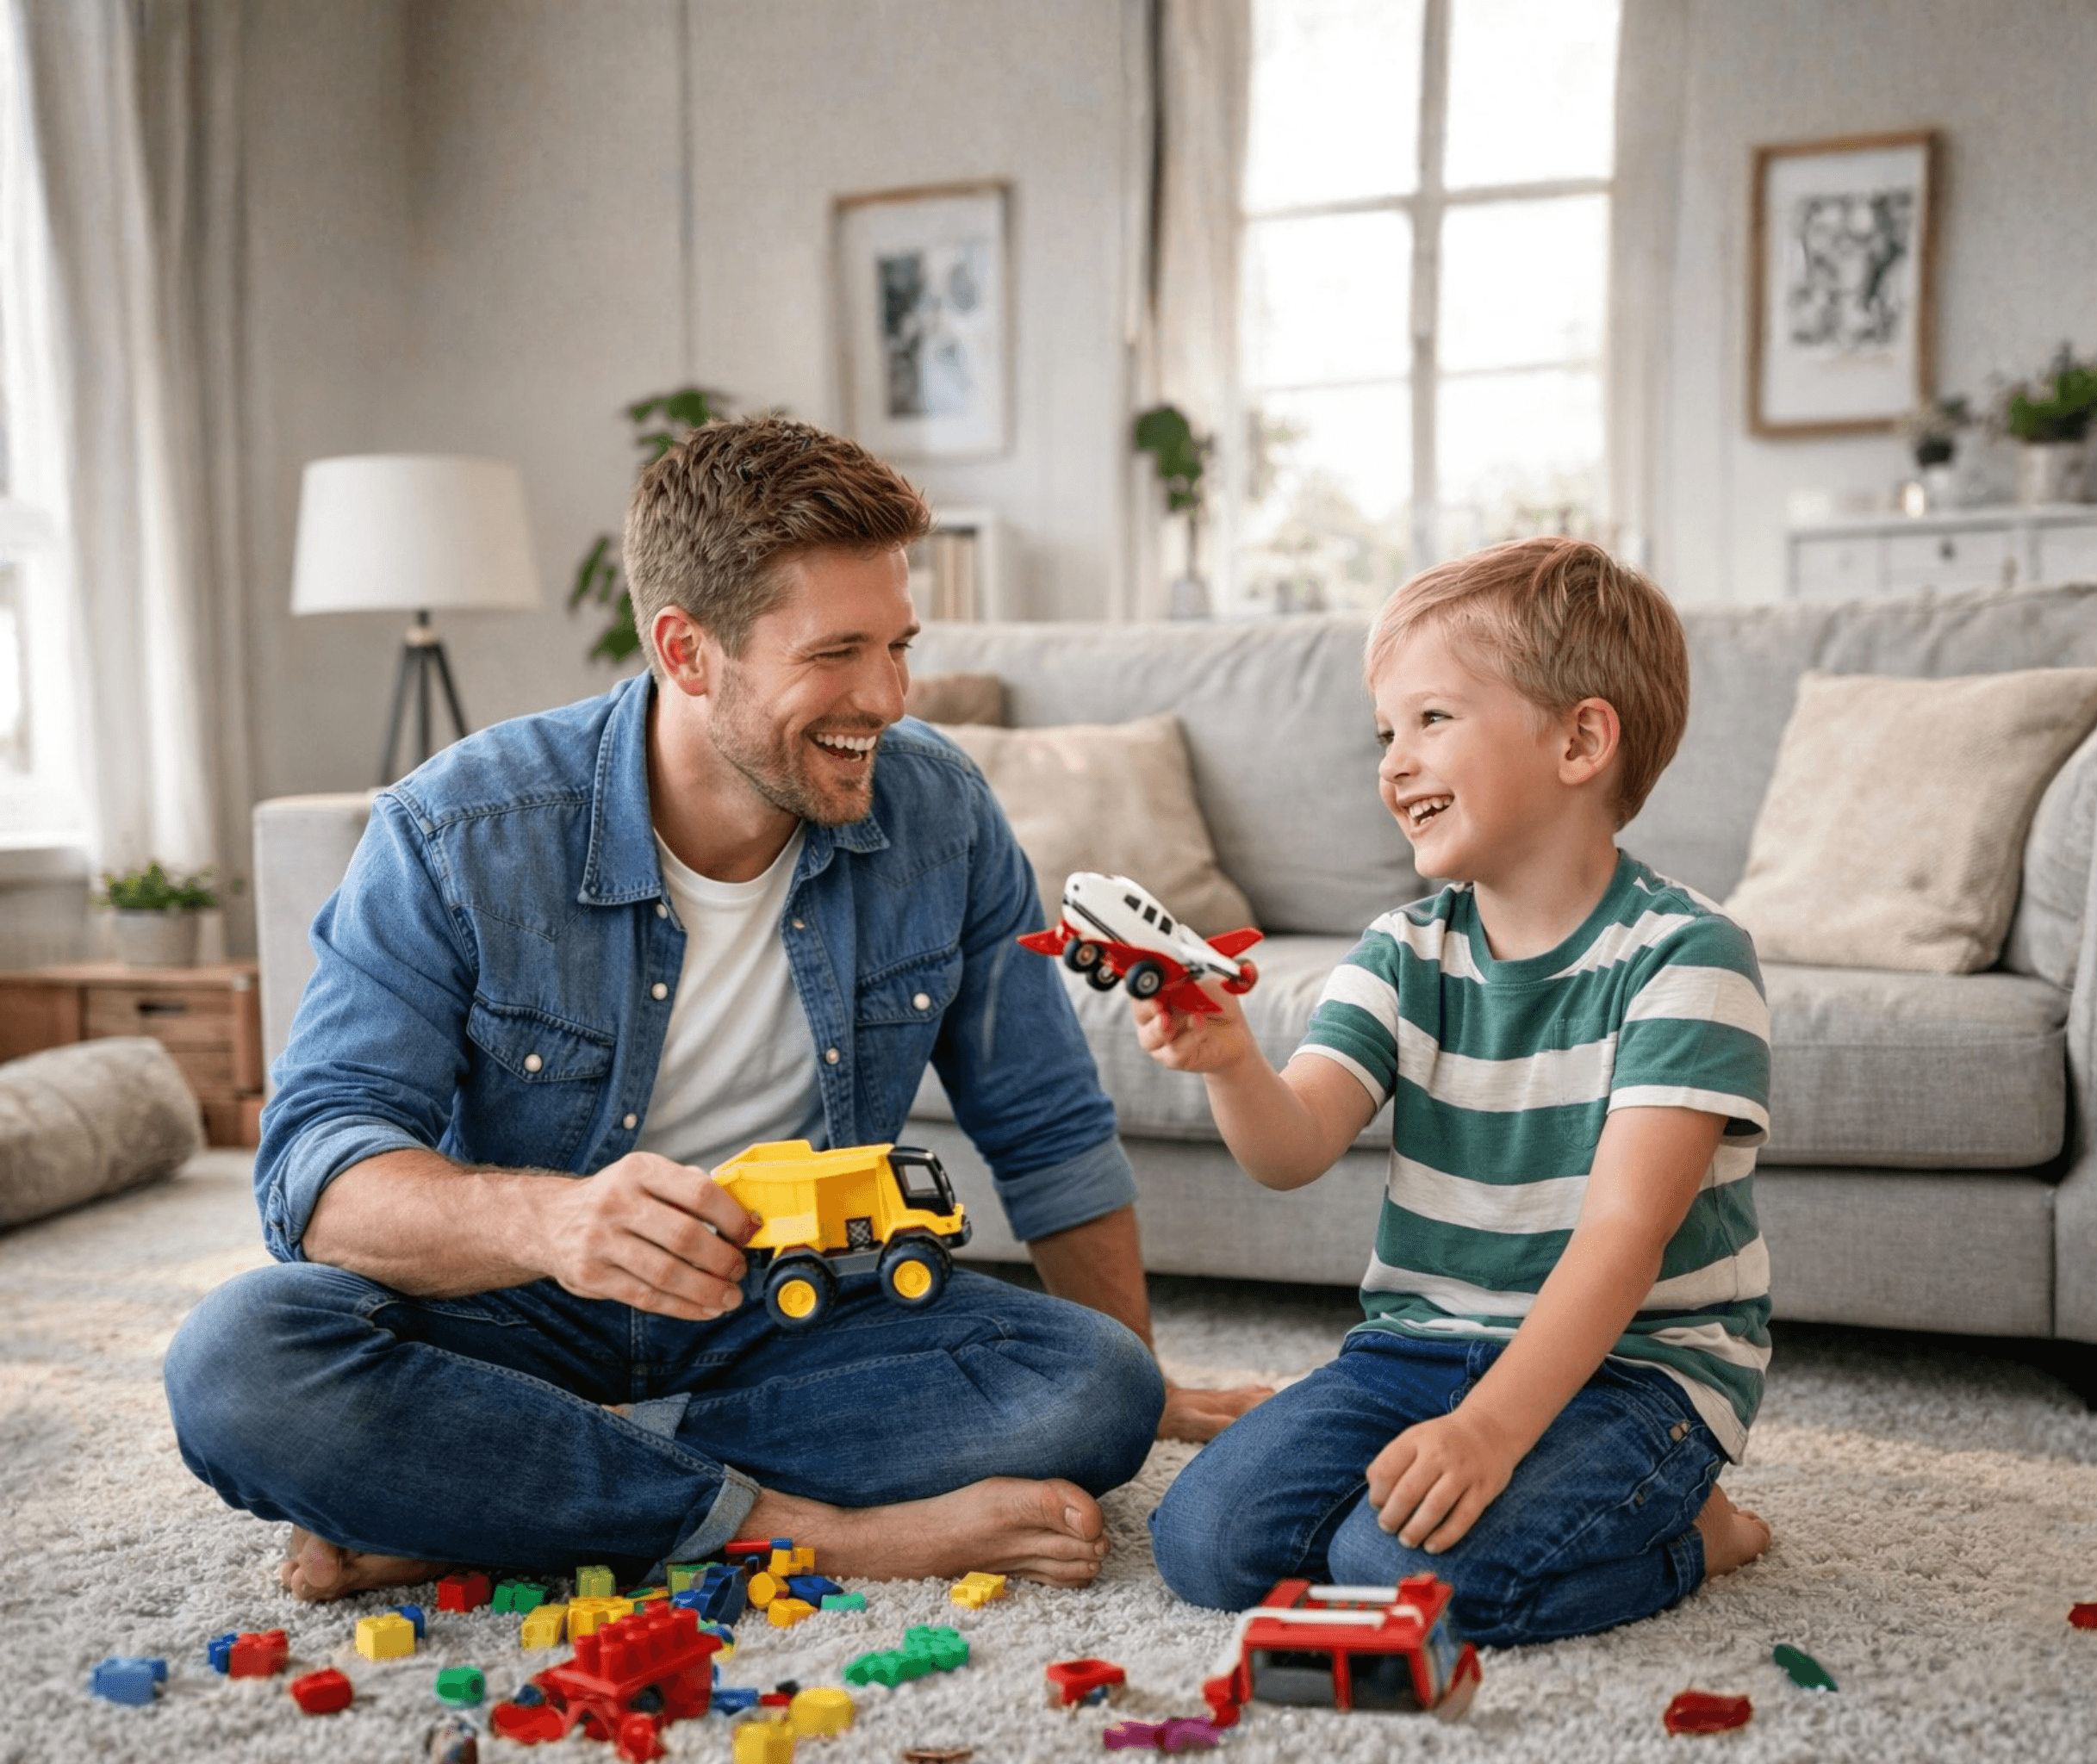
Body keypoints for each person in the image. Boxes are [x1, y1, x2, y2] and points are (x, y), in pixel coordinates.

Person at [165, 414, 1260, 1604]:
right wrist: (554, 1225)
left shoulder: (941, 815)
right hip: (514, 1320)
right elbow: (319, 1174)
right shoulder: (455, 834)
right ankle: (803, 1532)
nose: (886, 697)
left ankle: (497, 1490)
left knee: (1089, 1387)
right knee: (241, 1362)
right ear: (686, 651)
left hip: (784, 1319)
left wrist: (1143, 1390)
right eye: (837, 652)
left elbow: (1046, 1127)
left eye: (899, 644)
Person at [1139, 537, 1776, 1646]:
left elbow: (1624, 1239)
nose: (1393, 764)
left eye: (1432, 721)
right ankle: (1465, 1499)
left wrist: (1487, 1431)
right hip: (1416, 1349)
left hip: (1635, 1374)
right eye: (1385, 733)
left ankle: (1697, 1533)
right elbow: (1290, 1151)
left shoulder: (1689, 957)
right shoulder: (1401, 952)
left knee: (1412, 1582)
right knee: (1205, 1544)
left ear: (1581, 739)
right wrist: (1233, 1060)